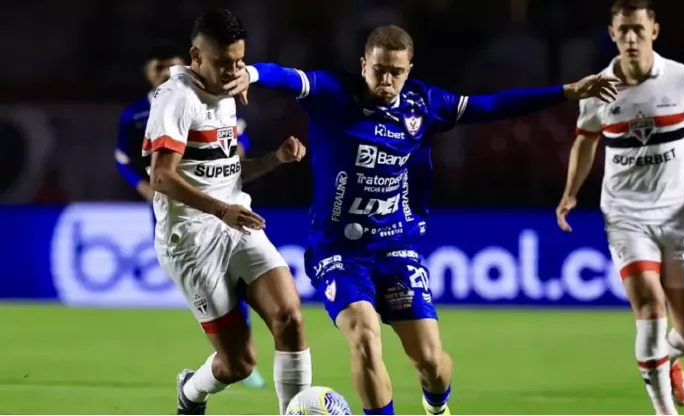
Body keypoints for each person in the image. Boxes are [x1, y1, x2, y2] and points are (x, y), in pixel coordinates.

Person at [226, 24, 618, 415]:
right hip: (337, 252)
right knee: (363, 335)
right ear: (364, 64)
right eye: (379, 69)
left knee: (430, 362)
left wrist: (567, 91)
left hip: (395, 248)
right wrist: (252, 73)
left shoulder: (423, 104)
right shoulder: (333, 93)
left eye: (396, 71)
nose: (387, 79)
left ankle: (437, 408)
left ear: (409, 69)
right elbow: (285, 76)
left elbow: (493, 105)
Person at [555, 0, 684, 414]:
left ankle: (670, 359)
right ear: (612, 33)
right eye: (622, 30)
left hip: (680, 217)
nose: (630, 37)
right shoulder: (598, 88)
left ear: (654, 30)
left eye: (638, 28)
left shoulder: (683, 79)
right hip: (626, 216)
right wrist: (570, 192)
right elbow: (585, 141)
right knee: (650, 307)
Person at [143, 9, 312, 415]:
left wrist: (274, 159)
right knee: (239, 363)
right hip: (191, 242)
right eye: (223, 63)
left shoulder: (229, 93)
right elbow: (162, 179)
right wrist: (221, 210)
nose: (233, 71)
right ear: (195, 57)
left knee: (290, 319)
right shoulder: (176, 100)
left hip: (235, 223)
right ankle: (190, 391)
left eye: (239, 61)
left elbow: (226, 169)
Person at [114, 40, 267, 389]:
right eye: (157, 68)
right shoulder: (137, 114)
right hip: (174, 208)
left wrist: (236, 156)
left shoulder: (209, 98)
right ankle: (233, 354)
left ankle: (239, 352)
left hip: (216, 198)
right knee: (212, 280)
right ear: (147, 73)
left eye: (170, 66)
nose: (164, 73)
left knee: (237, 277)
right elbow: (124, 160)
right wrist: (143, 186)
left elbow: (238, 136)